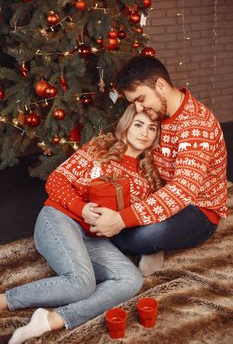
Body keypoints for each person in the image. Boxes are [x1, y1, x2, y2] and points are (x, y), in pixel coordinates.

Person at [0, 105, 162, 344]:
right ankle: (5, 300)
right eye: (138, 124)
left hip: (95, 238)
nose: (144, 133)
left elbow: (139, 218)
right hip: (59, 218)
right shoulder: (100, 147)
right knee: (80, 285)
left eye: (152, 128)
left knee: (131, 280)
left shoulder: (146, 177)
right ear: (127, 125)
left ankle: (51, 320)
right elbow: (55, 182)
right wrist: (82, 209)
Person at [89, 55, 229, 274]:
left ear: (161, 86)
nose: (139, 108)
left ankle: (151, 244)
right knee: (106, 214)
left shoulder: (197, 125)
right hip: (161, 192)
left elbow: (183, 190)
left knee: (135, 237)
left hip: (198, 208)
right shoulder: (159, 112)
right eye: (133, 102)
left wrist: (121, 219)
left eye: (141, 99)